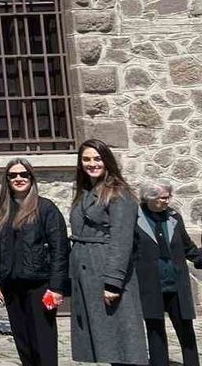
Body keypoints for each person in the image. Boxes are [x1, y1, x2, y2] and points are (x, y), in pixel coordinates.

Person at [68, 139, 149, 366]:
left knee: (122, 342)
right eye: (86, 159)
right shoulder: (85, 192)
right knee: (109, 345)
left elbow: (122, 240)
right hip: (87, 273)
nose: (92, 164)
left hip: (106, 271)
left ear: (107, 161)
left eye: (97, 158)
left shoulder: (118, 193)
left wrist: (113, 282)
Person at [0, 158, 68, 366]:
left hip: (39, 285)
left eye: (24, 174)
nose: (18, 178)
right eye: (13, 175)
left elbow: (60, 249)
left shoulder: (45, 208)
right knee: (23, 343)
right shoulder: (1, 211)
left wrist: (57, 287)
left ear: (31, 178)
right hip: (11, 286)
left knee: (43, 342)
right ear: (7, 180)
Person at [134, 180, 202, 366]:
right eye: (163, 197)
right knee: (155, 332)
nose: (167, 200)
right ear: (149, 198)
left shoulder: (174, 217)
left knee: (186, 332)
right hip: (150, 285)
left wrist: (199, 258)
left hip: (176, 284)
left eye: (168, 196)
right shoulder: (135, 220)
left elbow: (188, 247)